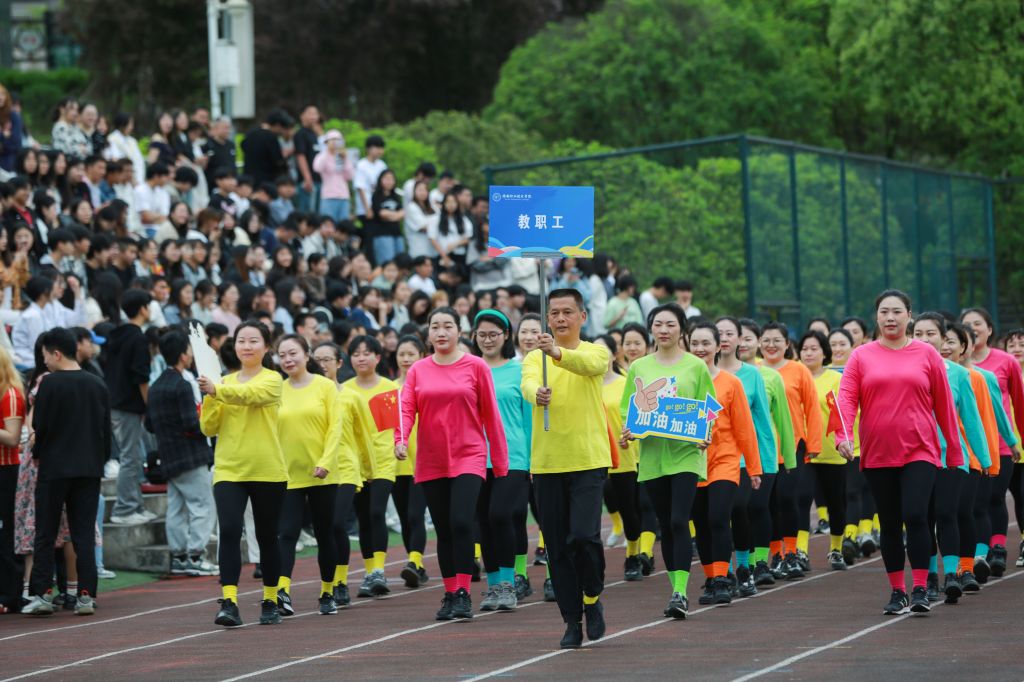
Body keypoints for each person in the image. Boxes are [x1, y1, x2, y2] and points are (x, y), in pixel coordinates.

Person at [836, 289, 962, 615]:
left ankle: (920, 587)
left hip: (920, 449)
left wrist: (954, 451)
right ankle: (898, 591)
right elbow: (846, 399)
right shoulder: (861, 356)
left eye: (896, 312)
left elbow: (944, 405)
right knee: (890, 523)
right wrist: (842, 436)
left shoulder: (927, 354)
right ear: (876, 317)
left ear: (909, 316)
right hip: (878, 452)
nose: (890, 318)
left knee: (916, 515)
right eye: (884, 312)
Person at [396, 307, 507, 620]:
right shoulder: (418, 370)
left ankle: (463, 592)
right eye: (435, 327)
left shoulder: (476, 366)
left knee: (461, 522)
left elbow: (491, 415)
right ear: (428, 334)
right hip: (431, 458)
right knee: (443, 529)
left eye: (448, 326)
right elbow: (406, 409)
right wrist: (401, 439)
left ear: (460, 331)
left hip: (469, 454)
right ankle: (450, 592)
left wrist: (500, 463)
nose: (441, 332)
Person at [522, 288, 610, 648]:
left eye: (567, 312)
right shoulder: (534, 358)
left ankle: (592, 597)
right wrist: (536, 394)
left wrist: (557, 354)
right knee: (556, 547)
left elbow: (591, 366)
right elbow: (528, 384)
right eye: (554, 313)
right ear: (547, 318)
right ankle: (571, 620)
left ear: (582, 317)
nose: (560, 318)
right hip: (548, 464)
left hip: (588, 459)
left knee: (584, 537)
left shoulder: (595, 351)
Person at [619, 306, 712, 619]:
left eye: (670, 324)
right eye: (658, 324)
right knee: (666, 523)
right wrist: (629, 430)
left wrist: (705, 432)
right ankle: (676, 589)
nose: (664, 329)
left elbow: (708, 408)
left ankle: (681, 592)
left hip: (686, 454)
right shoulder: (639, 367)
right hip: (653, 457)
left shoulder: (696, 366)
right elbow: (627, 408)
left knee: (678, 520)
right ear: (651, 329)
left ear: (681, 329)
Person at [199, 321, 287, 627]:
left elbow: (251, 395)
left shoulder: (273, 379)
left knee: (266, 535)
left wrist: (218, 390)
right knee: (229, 530)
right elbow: (208, 427)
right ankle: (229, 602)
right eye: (241, 341)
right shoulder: (221, 382)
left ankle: (271, 600)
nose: (246, 346)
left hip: (267, 469)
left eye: (253, 341)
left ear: (266, 347)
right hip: (229, 469)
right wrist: (211, 396)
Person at [22, 328, 110, 616]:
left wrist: (37, 452)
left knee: (46, 533)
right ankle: (85, 595)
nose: (45, 361)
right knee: (83, 533)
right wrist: (100, 461)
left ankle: (43, 593)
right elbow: (105, 430)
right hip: (89, 468)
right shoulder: (97, 383)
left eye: (46, 355)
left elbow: (42, 426)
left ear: (57, 354)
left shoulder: (49, 384)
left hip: (55, 467)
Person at [910, 313, 987, 602]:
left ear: (943, 339)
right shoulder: (905, 372)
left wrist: (984, 458)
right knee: (923, 518)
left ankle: (952, 574)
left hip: (951, 457)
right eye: (918, 333)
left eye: (931, 333)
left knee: (946, 514)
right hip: (915, 456)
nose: (925, 339)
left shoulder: (958, 374)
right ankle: (930, 577)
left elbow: (972, 419)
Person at [687, 321, 761, 604]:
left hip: (725, 461)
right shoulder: (681, 383)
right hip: (691, 463)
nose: (700, 348)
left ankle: (722, 580)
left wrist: (753, 468)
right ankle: (711, 578)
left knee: (718, 517)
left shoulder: (731, 383)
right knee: (700, 523)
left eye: (706, 343)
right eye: (695, 343)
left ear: (718, 346)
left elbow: (745, 429)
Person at [274, 334, 343, 616]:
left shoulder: (325, 387)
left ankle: (327, 592)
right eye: (282, 355)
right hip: (288, 474)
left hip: (322, 474)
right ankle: (282, 591)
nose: (288, 359)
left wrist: (325, 462)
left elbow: (335, 428)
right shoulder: (276, 390)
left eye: (293, 353)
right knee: (287, 533)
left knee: (324, 533)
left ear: (306, 354)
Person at [471, 309, 532, 611]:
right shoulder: (469, 369)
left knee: (500, 515)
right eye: (482, 334)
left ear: (506, 335)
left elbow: (528, 418)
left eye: (493, 334)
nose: (487, 340)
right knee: (483, 521)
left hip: (513, 456)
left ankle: (509, 583)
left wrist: (532, 459)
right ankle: (494, 586)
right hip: (474, 457)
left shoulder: (520, 371)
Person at [144, 331, 217, 577]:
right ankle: (196, 556)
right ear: (182, 355)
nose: (190, 355)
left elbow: (149, 425)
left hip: (168, 457)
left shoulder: (155, 387)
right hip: (190, 457)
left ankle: (179, 557)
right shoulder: (183, 385)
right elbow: (191, 424)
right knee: (203, 505)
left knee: (176, 508)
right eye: (188, 350)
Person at [960, 307, 1024, 577]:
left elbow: (1017, 403)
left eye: (977, 324)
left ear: (989, 329)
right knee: (974, 503)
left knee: (994, 497)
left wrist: (1015, 439)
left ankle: (996, 548)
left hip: (998, 444)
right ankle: (979, 553)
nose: (973, 329)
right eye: (967, 325)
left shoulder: (1005, 362)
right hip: (966, 447)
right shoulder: (954, 366)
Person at [716, 316, 777, 595]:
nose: (724, 338)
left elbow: (762, 421)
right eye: (719, 333)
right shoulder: (701, 373)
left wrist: (765, 462)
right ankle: (722, 572)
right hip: (709, 456)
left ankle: (744, 568)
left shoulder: (752, 375)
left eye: (730, 333)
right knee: (716, 516)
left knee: (740, 508)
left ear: (740, 339)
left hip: (742, 457)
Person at [310, 341, 374, 608]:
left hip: (347, 468)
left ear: (338, 363)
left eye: (327, 359)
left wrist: (369, 469)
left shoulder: (351, 396)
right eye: (317, 360)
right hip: (320, 470)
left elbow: (363, 436)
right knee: (325, 527)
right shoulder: (309, 396)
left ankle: (340, 581)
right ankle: (330, 581)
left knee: (337, 524)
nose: (322, 365)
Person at [760, 321, 822, 578]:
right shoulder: (754, 371)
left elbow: (812, 407)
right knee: (769, 502)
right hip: (763, 447)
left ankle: (793, 553)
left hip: (792, 445)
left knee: (788, 499)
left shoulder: (798, 370)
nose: (771, 345)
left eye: (777, 340)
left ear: (787, 344)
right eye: (766, 340)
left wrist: (814, 444)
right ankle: (777, 555)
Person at [343, 335, 399, 598]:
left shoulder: (389, 388)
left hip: (383, 460)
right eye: (356, 354)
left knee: (377, 512)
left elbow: (394, 426)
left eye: (367, 353)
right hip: (355, 462)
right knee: (363, 516)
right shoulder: (344, 390)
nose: (361, 358)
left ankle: (378, 570)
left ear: (377, 357)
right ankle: (369, 572)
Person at [797, 330, 854, 571]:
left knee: (836, 503)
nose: (808, 353)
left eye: (814, 349)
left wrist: (846, 440)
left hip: (831, 450)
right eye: (804, 349)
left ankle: (836, 549)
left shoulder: (835, 379)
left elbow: (843, 412)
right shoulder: (796, 377)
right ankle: (800, 552)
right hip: (803, 451)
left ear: (824, 353)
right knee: (801, 499)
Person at [106, 289, 155, 525]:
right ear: (143, 309)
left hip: (117, 402)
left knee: (133, 456)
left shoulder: (118, 334)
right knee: (130, 457)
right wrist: (149, 406)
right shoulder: (137, 338)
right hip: (128, 405)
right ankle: (124, 509)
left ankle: (135, 505)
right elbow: (141, 377)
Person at [392, 335, 430, 589]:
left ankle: (415, 561)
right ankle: (416, 564)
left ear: (421, 356)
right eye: (401, 354)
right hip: (396, 462)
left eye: (411, 354)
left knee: (416, 514)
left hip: (422, 460)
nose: (405, 359)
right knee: (405, 517)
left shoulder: (426, 384)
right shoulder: (388, 389)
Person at [0, 346, 25, 614]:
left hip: (6, 469)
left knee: (6, 531)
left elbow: (12, 437)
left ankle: (10, 594)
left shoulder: (10, 394)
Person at [241, 109, 293, 186]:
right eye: (283, 128)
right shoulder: (271, 138)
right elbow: (278, 161)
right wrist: (286, 155)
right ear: (277, 125)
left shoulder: (250, 133)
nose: (282, 132)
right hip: (266, 182)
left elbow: (243, 145)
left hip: (249, 180)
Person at [313, 129, 354, 223]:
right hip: (328, 196)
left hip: (343, 196)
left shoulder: (343, 156)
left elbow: (350, 176)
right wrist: (327, 151)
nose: (335, 143)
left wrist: (345, 159)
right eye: (332, 140)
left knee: (343, 225)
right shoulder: (322, 156)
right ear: (327, 142)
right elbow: (317, 168)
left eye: (338, 140)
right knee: (328, 223)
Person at [354, 135, 387, 221]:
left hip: (380, 207)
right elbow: (360, 188)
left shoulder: (382, 165)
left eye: (381, 148)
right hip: (365, 209)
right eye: (377, 147)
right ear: (368, 149)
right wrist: (367, 209)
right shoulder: (361, 165)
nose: (380, 151)